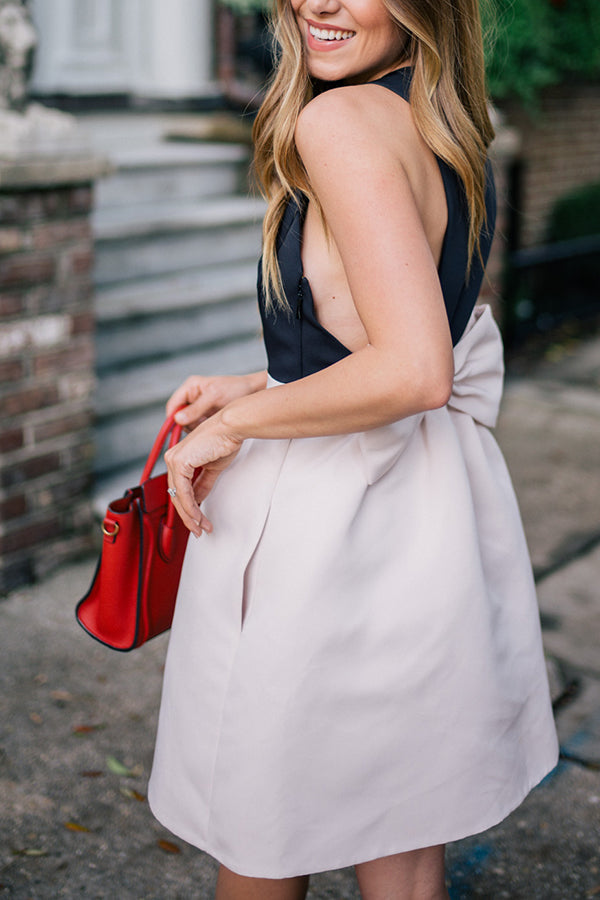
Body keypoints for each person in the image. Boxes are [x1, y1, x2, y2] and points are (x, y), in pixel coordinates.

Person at [147, 0, 559, 896]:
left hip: (326, 523)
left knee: (262, 831)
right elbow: (385, 330)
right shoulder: (444, 123)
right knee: (405, 841)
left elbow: (415, 369)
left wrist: (228, 429)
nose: (317, 2)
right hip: (427, 512)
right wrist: (261, 384)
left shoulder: (337, 120)